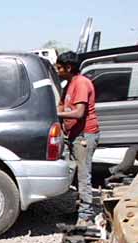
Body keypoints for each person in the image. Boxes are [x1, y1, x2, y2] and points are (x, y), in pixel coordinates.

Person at [56, 51, 100, 224]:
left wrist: (56, 113)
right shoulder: (69, 83)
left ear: (68, 67)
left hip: (84, 135)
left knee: (83, 175)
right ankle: (79, 209)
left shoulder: (81, 83)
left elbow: (79, 112)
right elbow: (63, 104)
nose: (57, 70)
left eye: (59, 68)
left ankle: (85, 216)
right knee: (76, 175)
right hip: (75, 134)